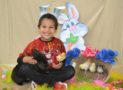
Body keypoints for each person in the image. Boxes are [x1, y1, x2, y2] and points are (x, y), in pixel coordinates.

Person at [11, 13, 75, 87]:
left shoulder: (59, 43)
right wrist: (24, 59)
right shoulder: (33, 44)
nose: (47, 30)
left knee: (71, 70)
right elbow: (19, 59)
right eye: (44, 27)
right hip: (38, 71)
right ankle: (49, 81)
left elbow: (63, 57)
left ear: (55, 29)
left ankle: (42, 81)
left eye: (51, 27)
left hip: (53, 71)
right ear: (39, 28)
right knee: (23, 68)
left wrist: (60, 65)